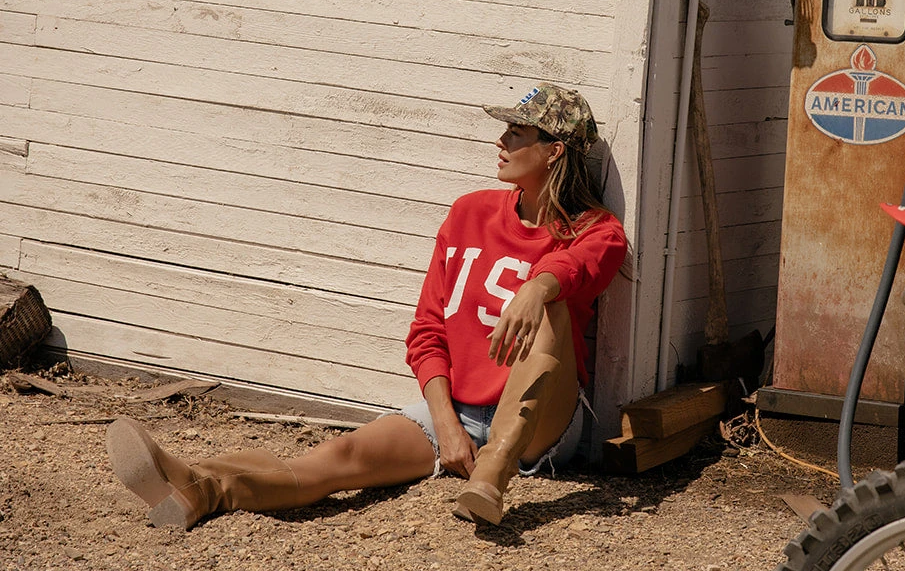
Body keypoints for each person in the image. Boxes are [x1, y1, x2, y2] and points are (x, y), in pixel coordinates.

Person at [106, 84, 627, 530]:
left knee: (553, 305)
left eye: (516, 132)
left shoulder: (596, 229)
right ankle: (202, 487)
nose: (501, 141)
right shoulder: (470, 213)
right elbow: (428, 330)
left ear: (554, 151)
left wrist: (536, 288)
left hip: (543, 426)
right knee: (342, 457)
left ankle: (493, 474)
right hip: (461, 412)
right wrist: (446, 426)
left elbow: (584, 264)